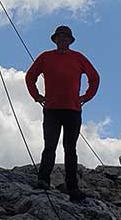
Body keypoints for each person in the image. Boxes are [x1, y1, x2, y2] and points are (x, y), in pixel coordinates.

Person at [24, 25, 100, 203]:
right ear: (55, 39)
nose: (62, 40)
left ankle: (72, 187)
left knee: (70, 149)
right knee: (49, 146)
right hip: (52, 109)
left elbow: (94, 77)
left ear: (70, 41)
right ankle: (43, 180)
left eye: (65, 38)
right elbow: (30, 77)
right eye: (60, 37)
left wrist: (86, 97)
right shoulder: (46, 57)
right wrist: (36, 96)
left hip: (72, 109)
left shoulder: (78, 57)